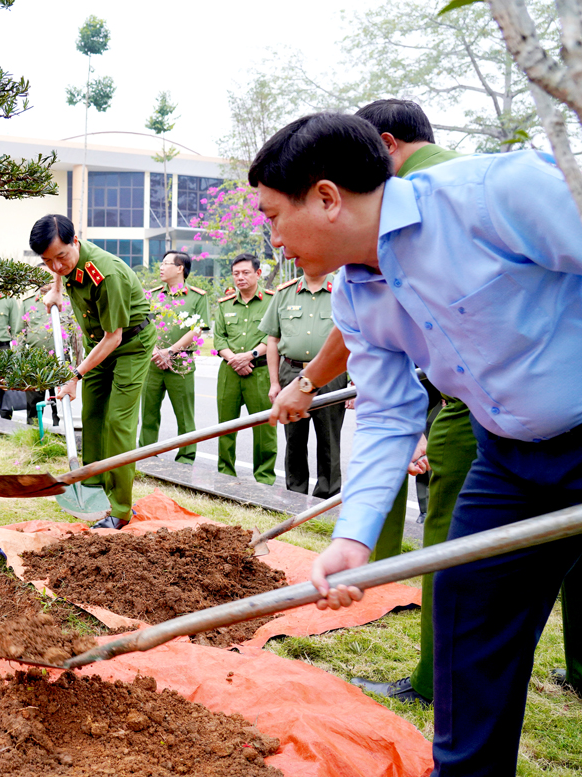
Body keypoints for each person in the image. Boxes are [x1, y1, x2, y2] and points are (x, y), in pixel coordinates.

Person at [250, 111, 582, 775]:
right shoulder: (357, 293)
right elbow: (385, 409)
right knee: (467, 610)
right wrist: (353, 537)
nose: (275, 242)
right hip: (508, 459)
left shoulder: (495, 196)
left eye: (273, 217)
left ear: (326, 197)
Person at [31, 214, 153, 527]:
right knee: (93, 417)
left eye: (61, 257)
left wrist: (75, 376)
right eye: (48, 262)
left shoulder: (105, 274)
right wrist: (56, 288)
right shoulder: (63, 264)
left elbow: (116, 337)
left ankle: (119, 510)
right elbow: (60, 269)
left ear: (76, 241)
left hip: (129, 344)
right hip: (99, 345)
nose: (57, 266)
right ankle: (93, 485)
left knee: (117, 423)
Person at [260, 268, 347, 498]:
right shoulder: (284, 293)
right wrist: (274, 382)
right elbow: (273, 339)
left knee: (329, 439)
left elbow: (355, 337)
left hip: (331, 373)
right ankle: (295, 496)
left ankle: (326, 497)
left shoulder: (343, 289)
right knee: (294, 440)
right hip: (291, 371)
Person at [211, 253, 276, 484]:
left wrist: (249, 355)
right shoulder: (225, 304)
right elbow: (219, 338)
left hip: (260, 372)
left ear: (258, 274)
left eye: (245, 272)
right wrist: (234, 360)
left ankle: (264, 477)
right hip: (229, 372)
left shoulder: (272, 301)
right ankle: (225, 475)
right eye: (236, 273)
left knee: (264, 428)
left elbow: (275, 335)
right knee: (226, 426)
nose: (240, 278)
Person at [138, 250, 207, 463]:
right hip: (152, 361)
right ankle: (147, 454)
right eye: (162, 262)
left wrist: (171, 351)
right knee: (149, 412)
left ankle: (186, 458)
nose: (161, 267)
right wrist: (155, 351)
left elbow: (197, 329)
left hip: (181, 362)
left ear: (180, 268)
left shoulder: (197, 297)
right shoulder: (152, 295)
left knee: (184, 415)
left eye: (167, 263)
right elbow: (142, 326)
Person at [18, 282, 61, 428]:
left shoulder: (65, 301)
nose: (44, 283)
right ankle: (33, 431)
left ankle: (61, 432)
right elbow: (20, 333)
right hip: (35, 359)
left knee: (60, 401)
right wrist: (20, 359)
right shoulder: (28, 303)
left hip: (60, 359)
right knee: (33, 401)